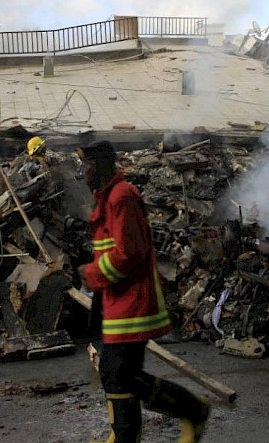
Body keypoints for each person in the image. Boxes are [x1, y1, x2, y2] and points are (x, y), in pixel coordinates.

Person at [76, 140, 210, 443]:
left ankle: (191, 412)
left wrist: (92, 274)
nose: (83, 173)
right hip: (116, 302)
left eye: (86, 165)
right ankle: (125, 435)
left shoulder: (122, 197)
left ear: (101, 165)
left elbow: (129, 253)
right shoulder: (109, 197)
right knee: (117, 374)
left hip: (131, 305)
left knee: (119, 373)